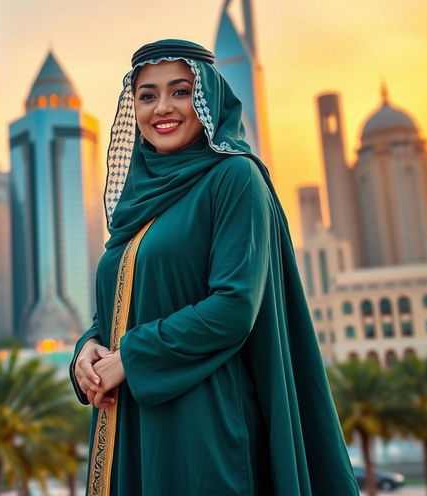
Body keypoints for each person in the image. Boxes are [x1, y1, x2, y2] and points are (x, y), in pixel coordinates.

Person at [70, 39, 359, 495]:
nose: (162, 107)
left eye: (180, 91)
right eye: (147, 95)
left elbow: (233, 306)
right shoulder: (137, 202)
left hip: (202, 426)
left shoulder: (233, 178)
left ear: (208, 99)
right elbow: (127, 300)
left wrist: (131, 358)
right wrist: (88, 348)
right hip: (130, 424)